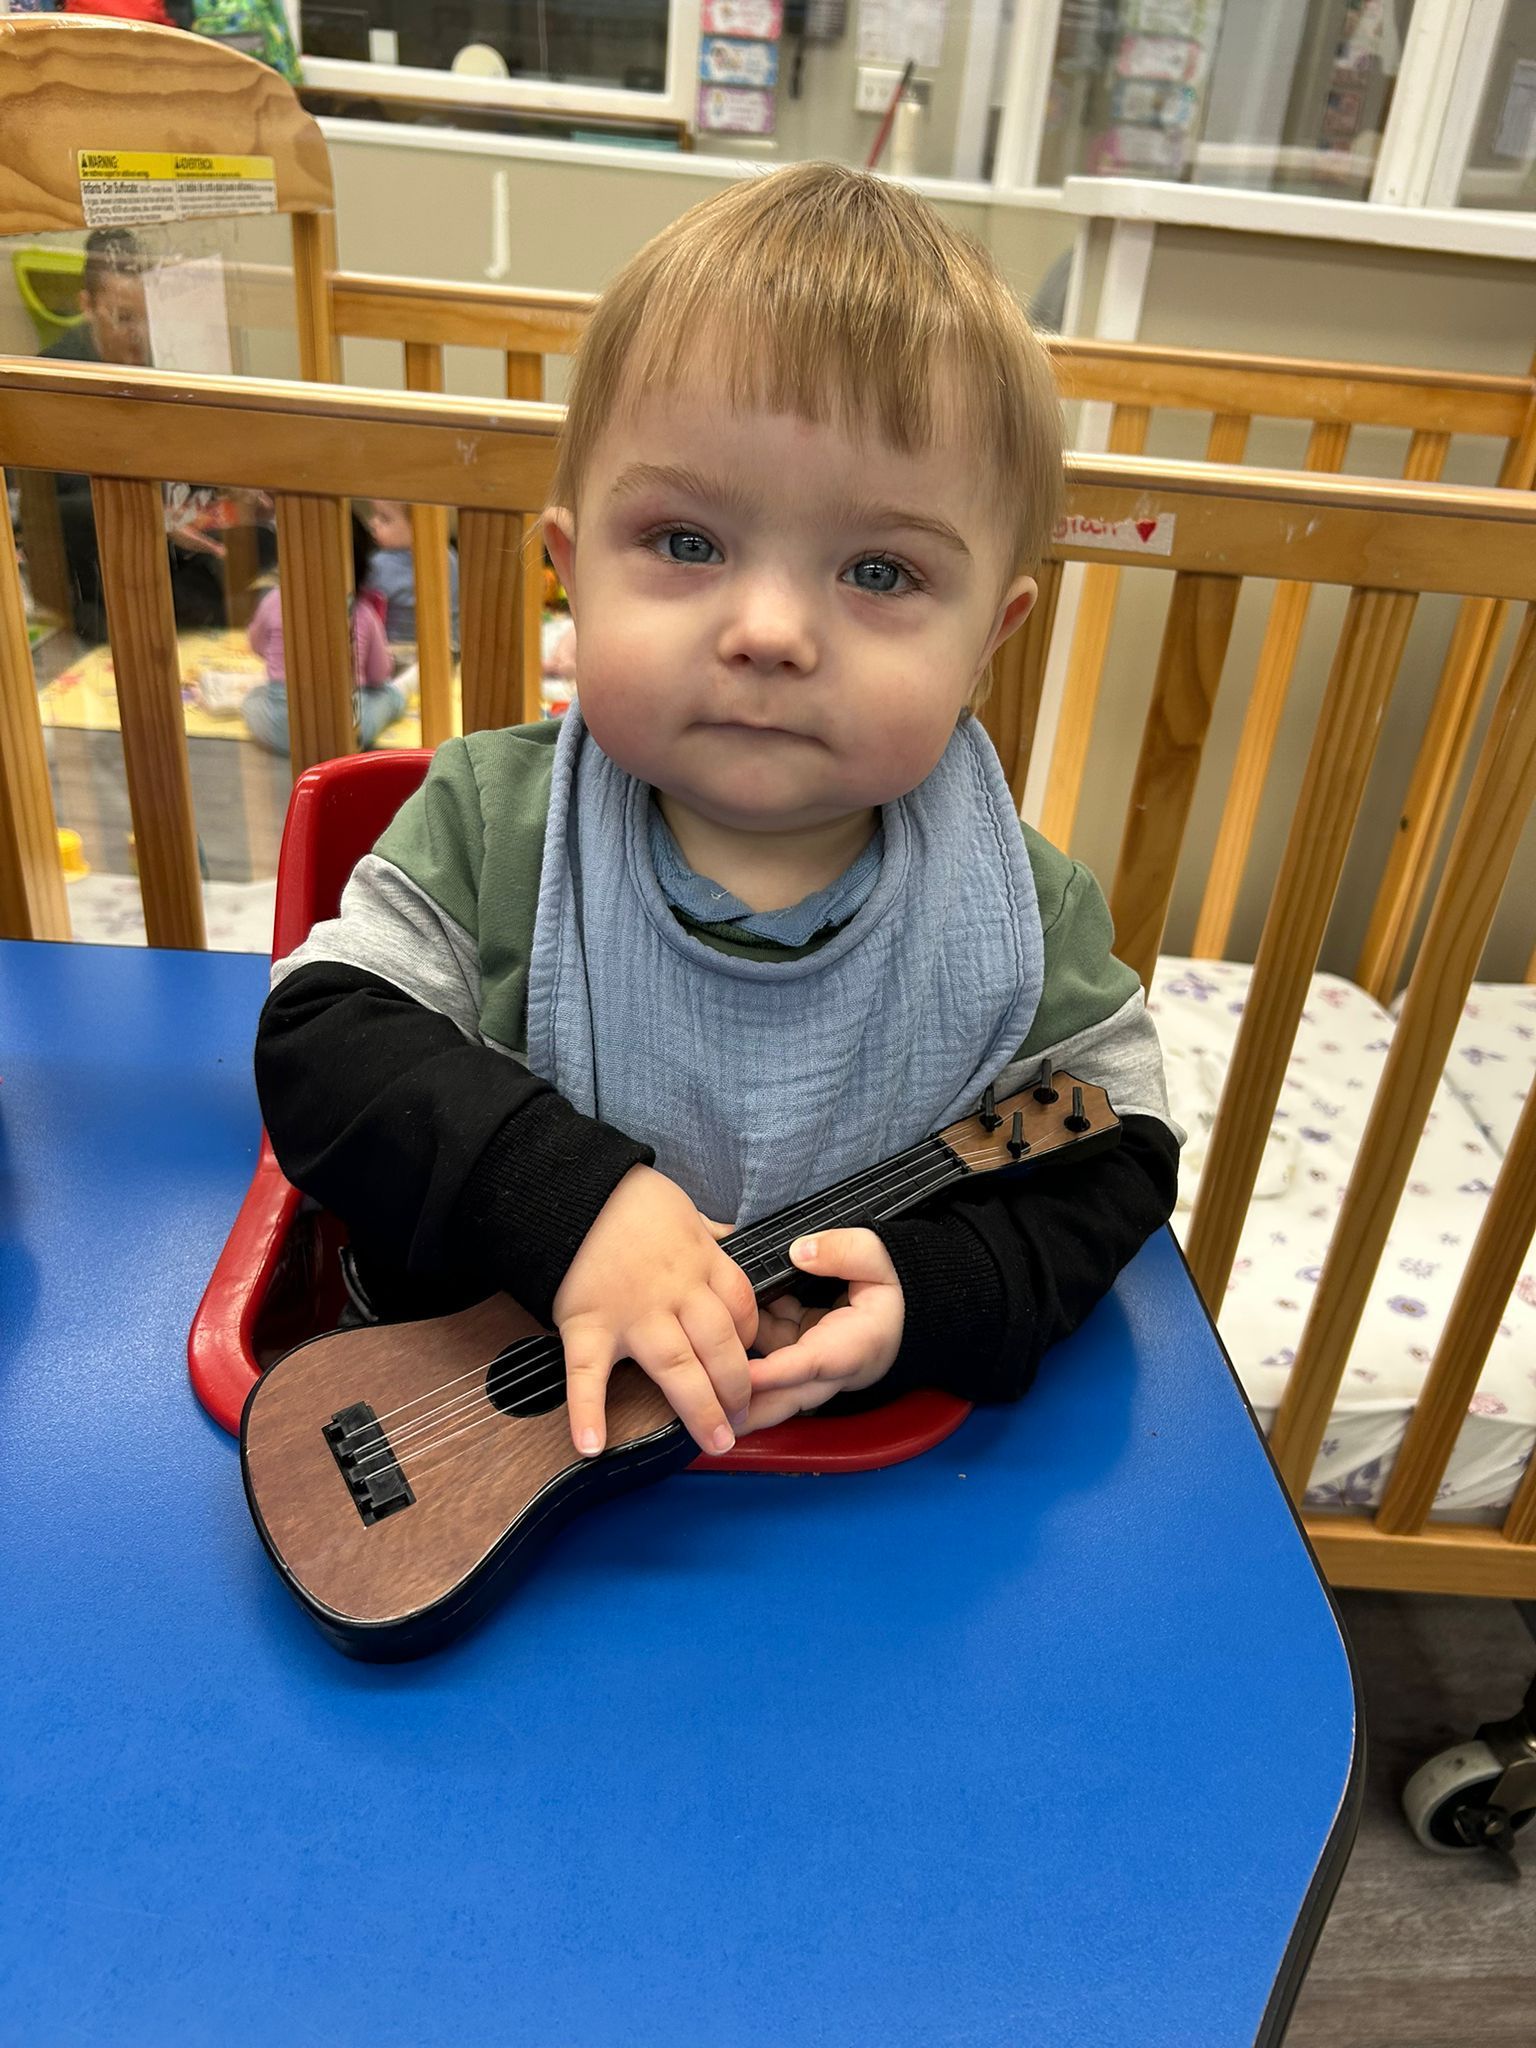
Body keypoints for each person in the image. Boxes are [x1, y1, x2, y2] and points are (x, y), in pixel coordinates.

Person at [254, 163, 1180, 1464]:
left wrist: (941, 1294)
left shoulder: (1020, 911)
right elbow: (322, 1047)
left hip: (839, 1482)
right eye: (688, 543)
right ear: (573, 574)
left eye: (879, 571)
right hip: (462, 1431)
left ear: (990, 639)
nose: (769, 631)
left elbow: (1113, 1145)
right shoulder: (493, 828)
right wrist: (571, 1204)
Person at [38, 228, 274, 637]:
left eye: (149, 318)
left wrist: (230, 479)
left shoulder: (158, 363)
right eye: (124, 318)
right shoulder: (51, 381)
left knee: (260, 556)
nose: (140, 335)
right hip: (94, 575)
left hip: (175, 549)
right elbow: (44, 512)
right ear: (87, 306)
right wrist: (151, 516)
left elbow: (185, 451)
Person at [242, 516, 405, 755]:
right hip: (346, 730)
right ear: (361, 566)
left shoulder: (274, 601)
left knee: (253, 699)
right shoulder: (362, 611)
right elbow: (380, 673)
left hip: (281, 728)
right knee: (389, 696)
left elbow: (257, 645)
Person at [362, 498, 460, 645]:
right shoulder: (449, 556)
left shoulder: (378, 565)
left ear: (419, 525)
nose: (373, 523)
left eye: (384, 519)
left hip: (395, 650)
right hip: (448, 647)